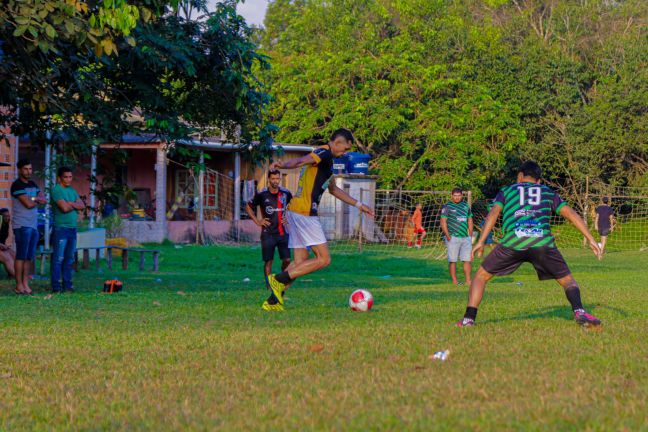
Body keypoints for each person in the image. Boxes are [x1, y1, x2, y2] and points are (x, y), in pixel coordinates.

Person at [457, 161, 602, 328]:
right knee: (569, 281)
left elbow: (493, 214)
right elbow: (570, 213)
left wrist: (480, 242)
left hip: (514, 242)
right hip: (542, 243)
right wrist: (590, 238)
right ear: (539, 181)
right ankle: (580, 312)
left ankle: (468, 320)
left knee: (480, 277)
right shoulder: (548, 192)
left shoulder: (507, 191)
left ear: (520, 176)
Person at [265, 128, 374, 311]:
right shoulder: (323, 152)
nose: (345, 153)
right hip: (305, 213)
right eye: (345, 149)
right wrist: (281, 165)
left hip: (296, 211)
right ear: (337, 142)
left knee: (300, 262)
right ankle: (278, 279)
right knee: (324, 259)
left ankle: (272, 302)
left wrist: (359, 205)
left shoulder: (328, 163)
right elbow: (301, 160)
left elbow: (334, 190)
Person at [245, 169, 293, 286]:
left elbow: (294, 206)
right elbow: (248, 206)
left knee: (287, 260)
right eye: (273, 179)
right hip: (268, 233)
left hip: (283, 232)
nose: (276, 181)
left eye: (278, 178)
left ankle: (281, 281)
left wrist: (290, 218)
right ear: (269, 179)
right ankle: (269, 286)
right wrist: (257, 221)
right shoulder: (262, 194)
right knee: (268, 261)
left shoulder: (286, 193)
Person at [11, 159, 47, 295]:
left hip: (33, 225)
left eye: (30, 169)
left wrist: (34, 199)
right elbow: (28, 204)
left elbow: (43, 199)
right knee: (20, 256)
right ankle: (19, 285)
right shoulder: (17, 186)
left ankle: (26, 283)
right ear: (20, 170)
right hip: (21, 225)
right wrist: (35, 199)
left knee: (28, 257)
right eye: (25, 169)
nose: (28, 171)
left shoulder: (32, 184)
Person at [51, 166, 84, 293]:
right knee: (58, 258)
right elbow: (63, 208)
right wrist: (74, 205)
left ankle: (67, 285)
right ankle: (56, 286)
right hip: (61, 228)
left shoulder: (72, 190)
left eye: (70, 177)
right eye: (66, 177)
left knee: (69, 258)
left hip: (72, 228)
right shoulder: (56, 190)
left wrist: (70, 203)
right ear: (59, 178)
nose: (69, 179)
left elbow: (82, 205)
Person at [440, 188, 473, 285]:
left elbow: (470, 220)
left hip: (465, 237)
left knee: (467, 260)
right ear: (451, 196)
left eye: (459, 195)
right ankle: (455, 281)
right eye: (455, 195)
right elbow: (443, 222)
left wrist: (470, 234)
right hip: (453, 237)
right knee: (453, 260)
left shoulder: (466, 206)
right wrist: (448, 236)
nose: (457, 197)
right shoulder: (447, 207)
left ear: (462, 196)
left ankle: (468, 281)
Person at [0, 208, 16, 279]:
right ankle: (18, 277)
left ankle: (12, 274)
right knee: (7, 258)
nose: (7, 218)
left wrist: (4, 246)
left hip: (1, 247)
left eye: (8, 216)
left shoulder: (5, 225)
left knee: (14, 254)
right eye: (5, 216)